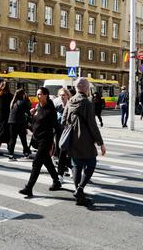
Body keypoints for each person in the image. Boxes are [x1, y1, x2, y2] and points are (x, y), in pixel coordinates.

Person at [62, 77, 106, 206]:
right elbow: (93, 125)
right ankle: (80, 189)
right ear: (87, 89)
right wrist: (101, 143)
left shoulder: (70, 101)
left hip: (72, 140)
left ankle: (79, 197)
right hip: (86, 140)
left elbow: (63, 121)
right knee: (91, 164)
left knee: (76, 166)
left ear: (76, 88)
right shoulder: (87, 102)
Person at [19, 87, 62, 198]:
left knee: (36, 163)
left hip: (46, 140)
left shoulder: (50, 110)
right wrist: (30, 116)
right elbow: (34, 123)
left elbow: (56, 127)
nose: (38, 96)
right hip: (37, 140)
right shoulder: (38, 107)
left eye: (40, 94)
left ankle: (29, 188)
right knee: (47, 161)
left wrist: (58, 142)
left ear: (46, 95)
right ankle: (56, 181)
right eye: (37, 94)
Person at [53, 88, 72, 183]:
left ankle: (60, 175)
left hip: (67, 133)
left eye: (64, 95)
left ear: (68, 96)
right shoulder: (58, 107)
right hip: (58, 132)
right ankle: (69, 168)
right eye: (60, 95)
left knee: (63, 154)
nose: (62, 97)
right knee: (59, 152)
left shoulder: (71, 106)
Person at [7, 89, 30, 160]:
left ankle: (10, 155)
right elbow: (28, 112)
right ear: (22, 94)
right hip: (20, 123)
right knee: (23, 138)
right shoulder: (23, 102)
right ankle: (26, 153)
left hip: (11, 122)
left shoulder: (13, 102)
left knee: (12, 139)